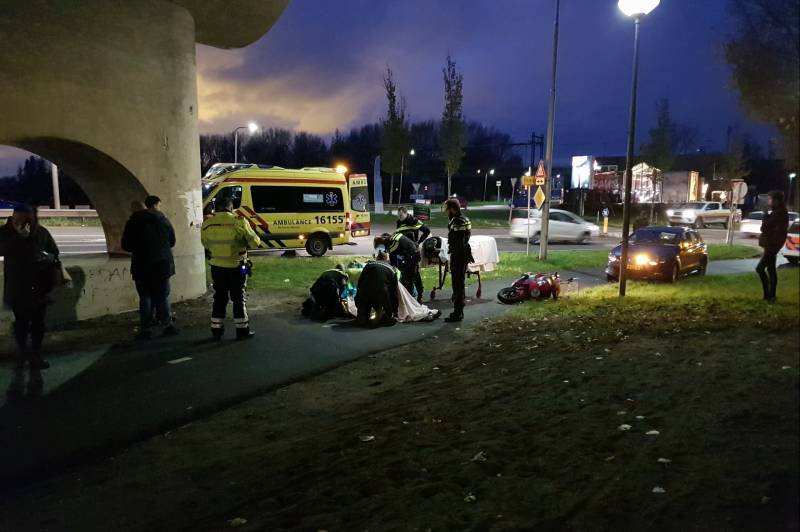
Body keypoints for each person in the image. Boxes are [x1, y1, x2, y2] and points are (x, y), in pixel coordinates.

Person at [0, 204, 60, 369]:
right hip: (18, 287)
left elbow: (54, 251)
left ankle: (36, 355)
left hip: (40, 286)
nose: (22, 219)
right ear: (13, 215)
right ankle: (22, 353)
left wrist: (47, 257)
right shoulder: (5, 232)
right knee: (21, 323)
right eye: (18, 216)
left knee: (38, 324)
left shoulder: (41, 232)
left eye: (28, 215)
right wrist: (19, 237)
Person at [201, 197, 263, 339]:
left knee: (219, 297)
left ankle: (216, 331)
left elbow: (205, 243)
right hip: (238, 266)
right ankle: (242, 330)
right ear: (230, 207)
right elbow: (254, 243)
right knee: (239, 297)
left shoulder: (207, 223)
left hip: (216, 267)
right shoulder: (239, 221)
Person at [121, 195, 178, 339]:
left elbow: (125, 245)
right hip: (162, 265)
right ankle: (167, 325)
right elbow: (172, 241)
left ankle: (146, 329)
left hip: (142, 265)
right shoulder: (162, 220)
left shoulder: (133, 223)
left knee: (145, 297)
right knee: (163, 295)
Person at [756, 190, 789, 302]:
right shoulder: (778, 212)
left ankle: (768, 295)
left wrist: (765, 215)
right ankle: (772, 296)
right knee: (771, 269)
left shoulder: (779, 213)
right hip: (772, 244)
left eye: (770, 199)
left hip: (772, 245)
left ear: (776, 200)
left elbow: (765, 227)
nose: (769, 202)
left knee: (760, 269)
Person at [444, 198, 472, 322]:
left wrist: (455, 257)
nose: (447, 212)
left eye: (448, 209)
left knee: (458, 284)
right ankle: (460, 306)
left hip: (459, 255)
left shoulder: (458, 221)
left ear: (453, 209)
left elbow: (459, 241)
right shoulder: (464, 219)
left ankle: (458, 312)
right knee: (459, 282)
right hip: (463, 254)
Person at [355, 252, 399, 328]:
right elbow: (394, 291)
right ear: (386, 259)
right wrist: (393, 311)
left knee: (364, 305)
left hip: (364, 292)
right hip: (380, 293)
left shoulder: (369, 265)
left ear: (377, 258)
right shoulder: (392, 269)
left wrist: (359, 294)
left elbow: (360, 281)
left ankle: (363, 316)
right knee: (382, 301)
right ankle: (380, 317)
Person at [395, 206, 429, 302]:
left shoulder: (414, 221)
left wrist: (418, 242)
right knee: (403, 273)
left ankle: (419, 295)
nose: (400, 217)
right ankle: (408, 296)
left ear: (406, 213)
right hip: (402, 252)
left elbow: (427, 231)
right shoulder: (399, 222)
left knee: (415, 274)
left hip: (413, 252)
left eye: (401, 215)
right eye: (398, 216)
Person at [375, 232, 418, 298]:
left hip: (412, 255)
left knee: (408, 278)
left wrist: (391, 267)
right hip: (408, 254)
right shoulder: (393, 238)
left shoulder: (393, 242)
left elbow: (392, 257)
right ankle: (410, 294)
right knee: (405, 276)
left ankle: (412, 296)